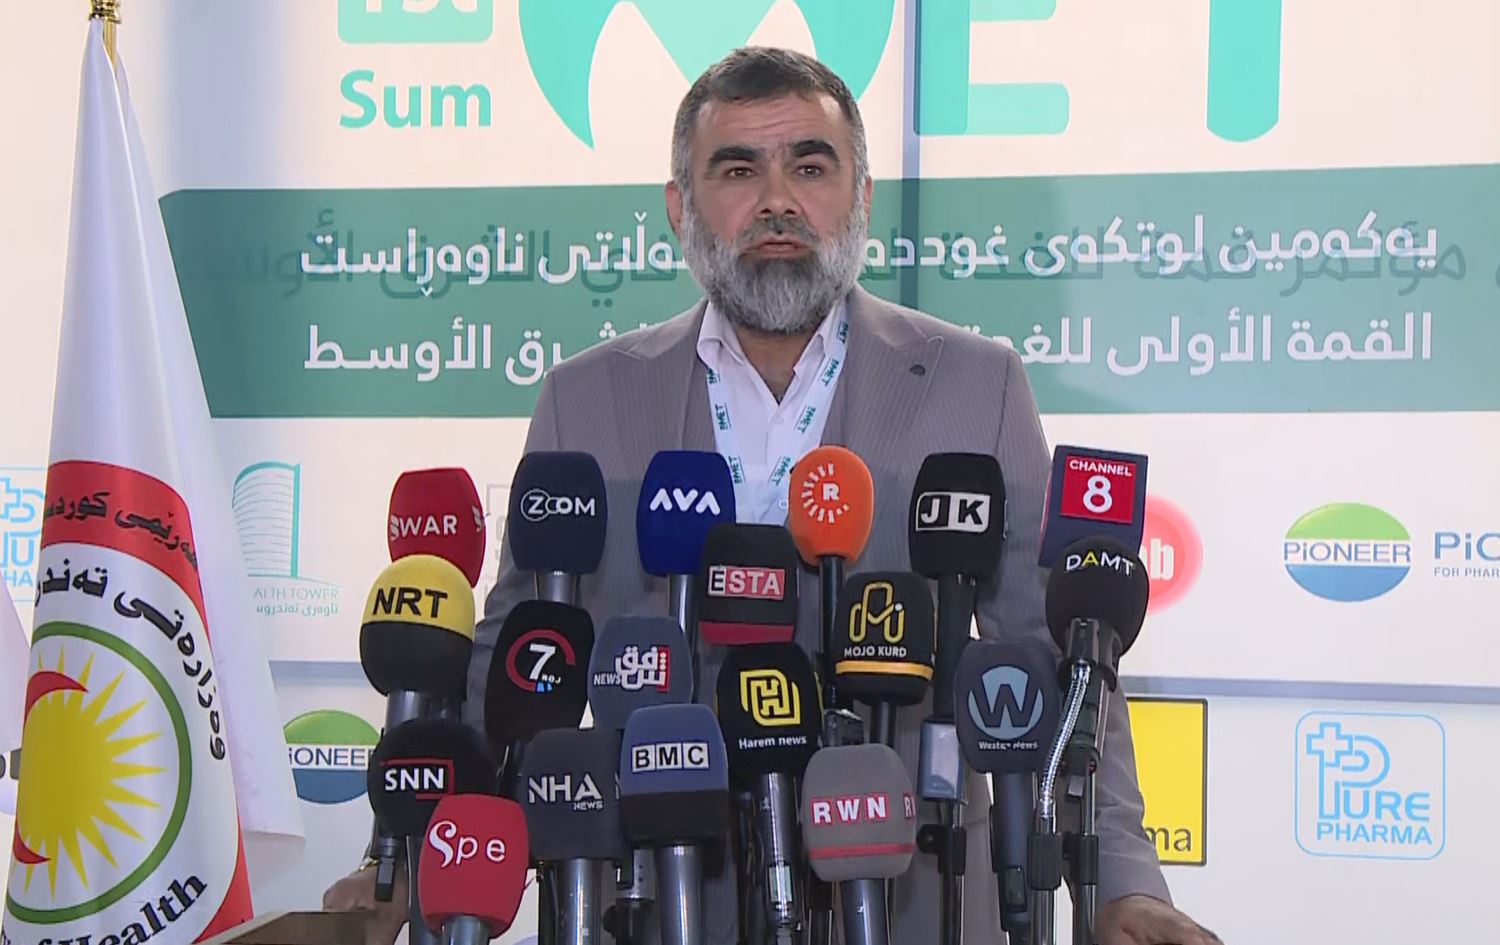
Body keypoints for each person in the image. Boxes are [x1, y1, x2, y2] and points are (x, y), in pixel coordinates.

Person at [327, 46, 1222, 945]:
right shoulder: (585, 399)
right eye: (738, 170)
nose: (778, 200)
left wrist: (1121, 884)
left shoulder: (975, 384)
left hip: (917, 892)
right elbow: (513, 665)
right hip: (660, 891)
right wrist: (404, 859)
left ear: (861, 199)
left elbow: (1059, 666)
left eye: (810, 166)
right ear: (680, 207)